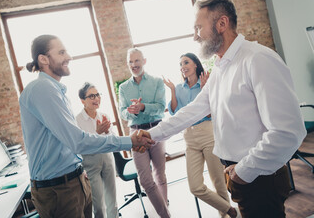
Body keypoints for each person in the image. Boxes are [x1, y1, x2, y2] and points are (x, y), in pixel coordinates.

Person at [139, 0, 307, 218]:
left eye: (199, 28)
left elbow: (289, 131)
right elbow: (194, 110)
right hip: (238, 174)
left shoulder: (258, 59)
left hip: (260, 178)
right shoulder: (220, 66)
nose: (195, 36)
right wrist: (151, 135)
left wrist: (244, 170)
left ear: (222, 24)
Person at [19, 35, 154, 218]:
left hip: (74, 180)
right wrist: (129, 141)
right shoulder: (42, 89)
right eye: (61, 52)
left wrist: (78, 170)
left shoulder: (56, 90)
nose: (69, 57)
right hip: (58, 189)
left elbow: (65, 144)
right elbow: (77, 141)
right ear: (43, 59)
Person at [163, 52, 239, 218]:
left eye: (186, 62)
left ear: (195, 64)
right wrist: (173, 91)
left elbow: (212, 112)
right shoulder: (180, 88)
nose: (183, 67)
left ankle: (225, 215)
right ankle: (229, 209)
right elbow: (175, 112)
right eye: (181, 64)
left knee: (219, 183)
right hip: (189, 138)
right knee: (195, 186)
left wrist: (205, 89)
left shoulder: (207, 83)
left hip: (207, 134)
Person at [118, 48, 170, 218]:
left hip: (156, 131)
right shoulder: (124, 88)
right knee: (145, 181)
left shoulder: (156, 82)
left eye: (137, 61)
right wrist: (131, 111)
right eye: (130, 62)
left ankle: (165, 206)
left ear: (144, 61)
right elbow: (122, 113)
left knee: (159, 174)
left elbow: (161, 107)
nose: (134, 65)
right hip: (136, 134)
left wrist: (143, 107)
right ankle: (165, 215)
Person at [75, 82, 119, 218]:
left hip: (108, 159)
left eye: (98, 95)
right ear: (83, 100)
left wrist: (107, 132)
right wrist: (97, 132)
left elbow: (113, 141)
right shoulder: (77, 120)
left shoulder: (104, 116)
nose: (96, 99)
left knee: (113, 201)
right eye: (92, 96)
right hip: (91, 165)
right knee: (99, 206)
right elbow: (81, 145)